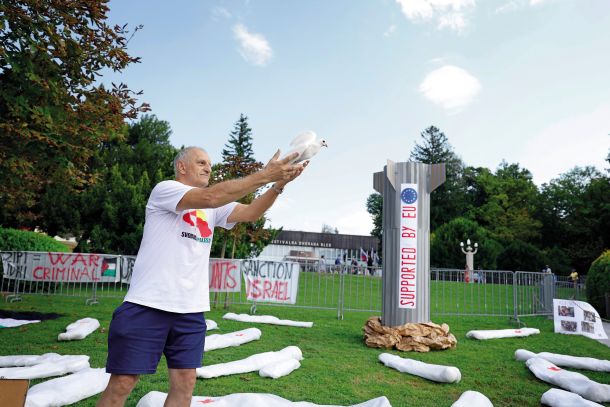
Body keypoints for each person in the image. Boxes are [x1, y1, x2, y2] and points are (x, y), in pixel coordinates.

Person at [96, 147, 306, 407]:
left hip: (190, 310)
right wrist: (264, 174)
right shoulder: (166, 190)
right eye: (201, 162)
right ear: (182, 167)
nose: (209, 168)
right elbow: (210, 197)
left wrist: (277, 185)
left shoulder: (214, 207)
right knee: (123, 384)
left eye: (210, 164)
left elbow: (251, 213)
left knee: (185, 384)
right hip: (147, 305)